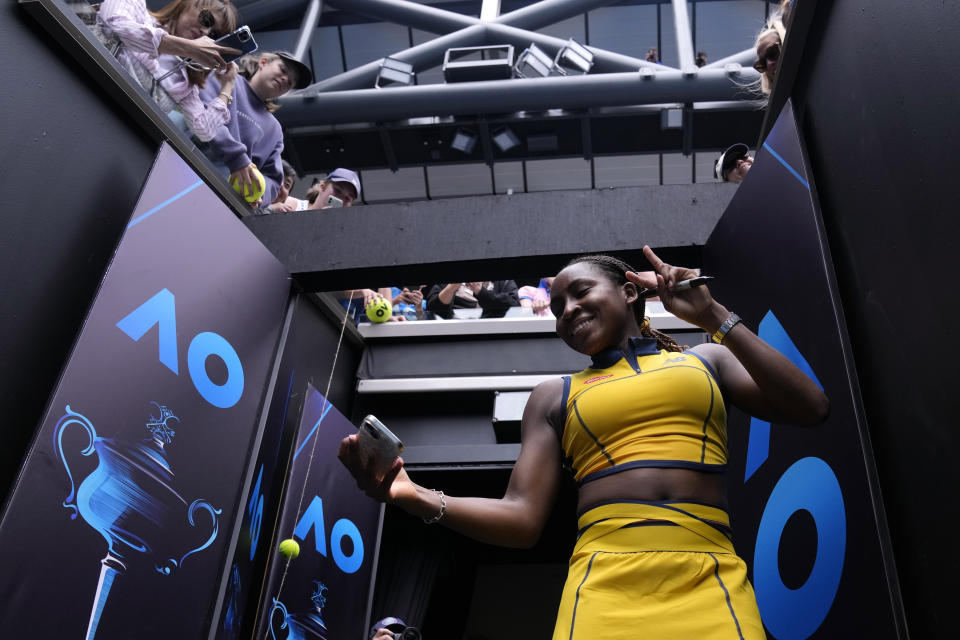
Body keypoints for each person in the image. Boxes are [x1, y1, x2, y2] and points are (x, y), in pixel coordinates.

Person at [339, 245, 829, 639]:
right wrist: (413, 496)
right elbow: (521, 519)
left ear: (629, 292)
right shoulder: (553, 396)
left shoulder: (706, 360)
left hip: (712, 576)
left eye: (579, 293)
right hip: (602, 588)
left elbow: (810, 406)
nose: (567, 310)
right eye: (556, 307)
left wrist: (713, 316)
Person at [94, 0, 240, 141]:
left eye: (214, 35)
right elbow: (113, 25)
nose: (205, 31)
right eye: (207, 20)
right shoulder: (137, 9)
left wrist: (228, 86)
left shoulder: (185, 81)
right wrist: (187, 47)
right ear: (187, 4)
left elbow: (204, 130)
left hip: (113, 132)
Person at [199, 51, 313, 206]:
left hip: (225, 201)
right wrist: (239, 159)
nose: (285, 79)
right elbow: (203, 114)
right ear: (263, 62)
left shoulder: (275, 130)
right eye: (283, 70)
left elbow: (273, 180)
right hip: (185, 163)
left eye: (290, 83)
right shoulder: (226, 77)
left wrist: (259, 195)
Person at [425, 281, 519, 319]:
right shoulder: (446, 281)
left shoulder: (502, 281)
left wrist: (481, 292)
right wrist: (450, 288)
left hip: (495, 334)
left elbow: (515, 306)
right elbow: (432, 310)